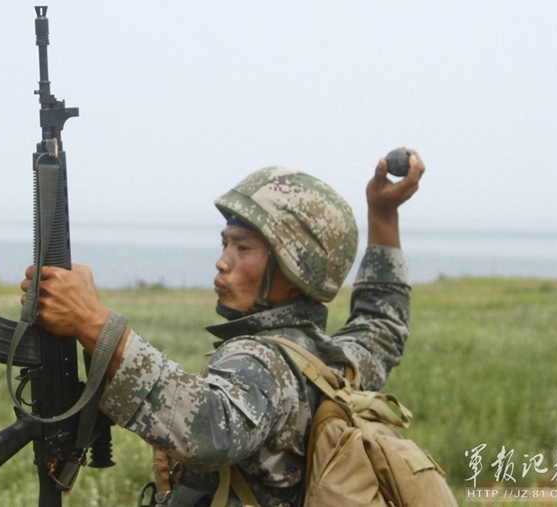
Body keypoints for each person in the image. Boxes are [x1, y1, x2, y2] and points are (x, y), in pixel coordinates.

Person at [22, 151, 425, 507]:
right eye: (225, 244)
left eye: (243, 247)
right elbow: (381, 327)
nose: (223, 261)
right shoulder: (327, 361)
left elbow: (211, 429)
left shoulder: (261, 361)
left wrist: (94, 323)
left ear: (292, 270)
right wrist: (383, 216)